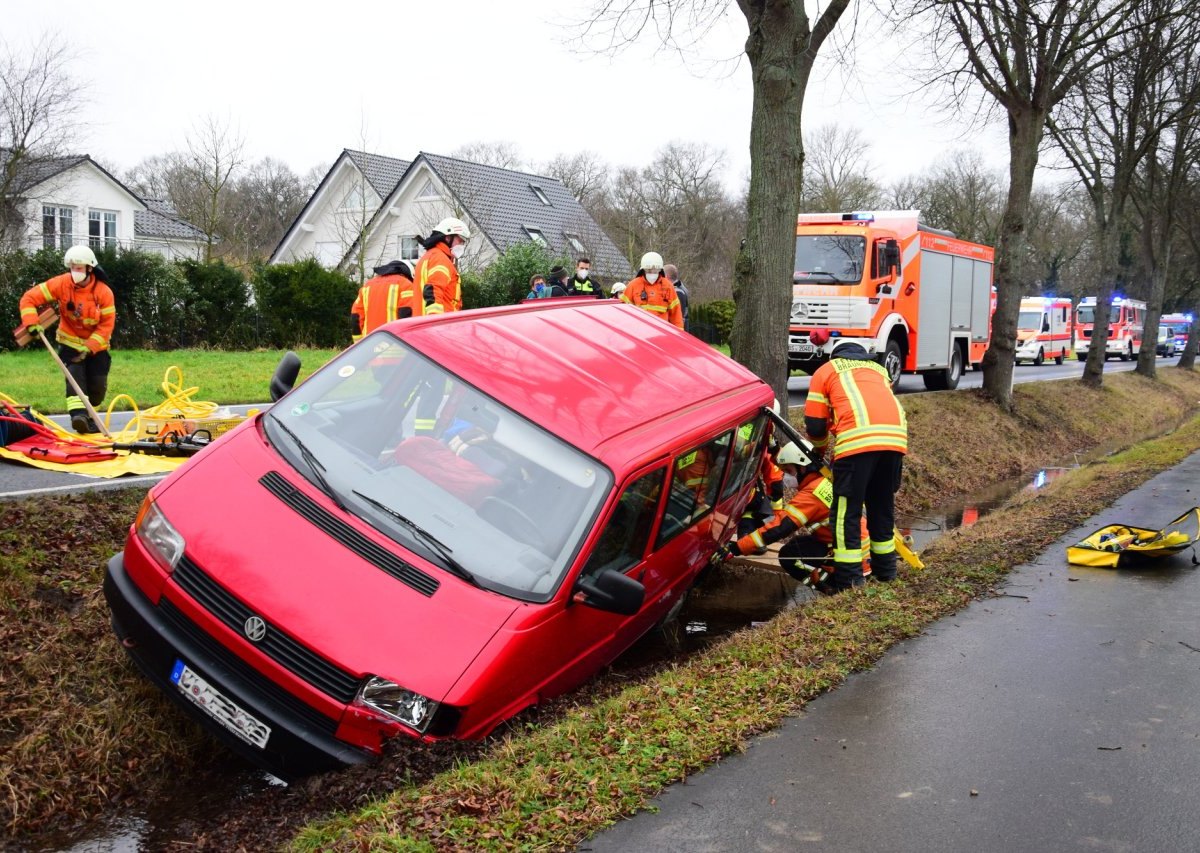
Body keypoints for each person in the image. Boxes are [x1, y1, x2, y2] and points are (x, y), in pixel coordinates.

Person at [804, 328, 908, 592]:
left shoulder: (826, 371)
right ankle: (886, 573)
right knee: (881, 507)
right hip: (895, 443)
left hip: (857, 445)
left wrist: (819, 450)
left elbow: (816, 425)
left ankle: (850, 581)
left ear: (834, 354)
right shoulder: (879, 371)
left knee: (845, 513)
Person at [724, 441, 869, 591]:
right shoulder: (824, 478)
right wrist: (774, 450)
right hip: (855, 545)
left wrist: (737, 547)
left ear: (803, 467)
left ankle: (830, 586)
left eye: (787, 470)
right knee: (797, 544)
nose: (785, 476)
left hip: (851, 557)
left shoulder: (811, 495)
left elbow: (780, 528)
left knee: (789, 556)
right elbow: (791, 460)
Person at [19, 245, 116, 434]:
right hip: (69, 344)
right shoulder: (61, 284)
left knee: (97, 389)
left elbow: (106, 325)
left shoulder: (104, 293)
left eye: (78, 268)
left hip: (96, 348)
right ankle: (78, 416)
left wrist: (90, 347)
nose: (74, 272)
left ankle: (89, 417)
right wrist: (31, 323)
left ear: (90, 268)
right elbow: (29, 299)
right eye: (72, 268)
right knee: (75, 379)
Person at [350, 260, 419, 342]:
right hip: (395, 346)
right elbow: (407, 316)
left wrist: (358, 343)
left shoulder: (367, 286)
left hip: (369, 346)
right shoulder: (405, 285)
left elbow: (355, 316)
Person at [414, 217, 471, 315]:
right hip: (436, 325)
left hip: (423, 324)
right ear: (448, 238)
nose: (461, 245)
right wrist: (436, 323)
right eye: (460, 241)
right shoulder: (440, 259)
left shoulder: (429, 256)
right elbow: (434, 290)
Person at [620, 252, 684, 329]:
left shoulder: (668, 286)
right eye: (649, 270)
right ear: (643, 269)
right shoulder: (633, 285)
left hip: (661, 333)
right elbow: (623, 311)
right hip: (639, 332)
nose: (652, 273)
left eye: (655, 270)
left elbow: (676, 315)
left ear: (660, 270)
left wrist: (678, 334)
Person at [663, 263, 690, 331]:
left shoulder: (678, 292)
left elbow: (677, 316)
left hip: (676, 331)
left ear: (666, 276)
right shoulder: (680, 289)